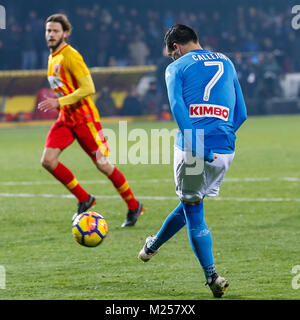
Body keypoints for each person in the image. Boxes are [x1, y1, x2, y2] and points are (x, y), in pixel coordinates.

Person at [138, 24, 247, 298]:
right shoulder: (226, 61)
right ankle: (152, 245)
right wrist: (222, 137)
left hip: (193, 149)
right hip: (226, 150)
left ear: (176, 46)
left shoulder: (176, 67)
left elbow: (176, 105)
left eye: (171, 53)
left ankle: (212, 276)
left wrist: (197, 144)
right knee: (190, 202)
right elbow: (242, 113)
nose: (172, 58)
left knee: (195, 213)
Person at [38, 14, 144, 227]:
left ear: (65, 33)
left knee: (104, 166)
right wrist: (61, 106)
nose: (51, 34)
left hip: (84, 120)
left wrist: (59, 102)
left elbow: (89, 88)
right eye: (48, 31)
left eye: (55, 31)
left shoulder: (71, 56)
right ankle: (84, 198)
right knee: (48, 161)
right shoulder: (52, 57)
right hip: (65, 119)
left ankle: (134, 205)